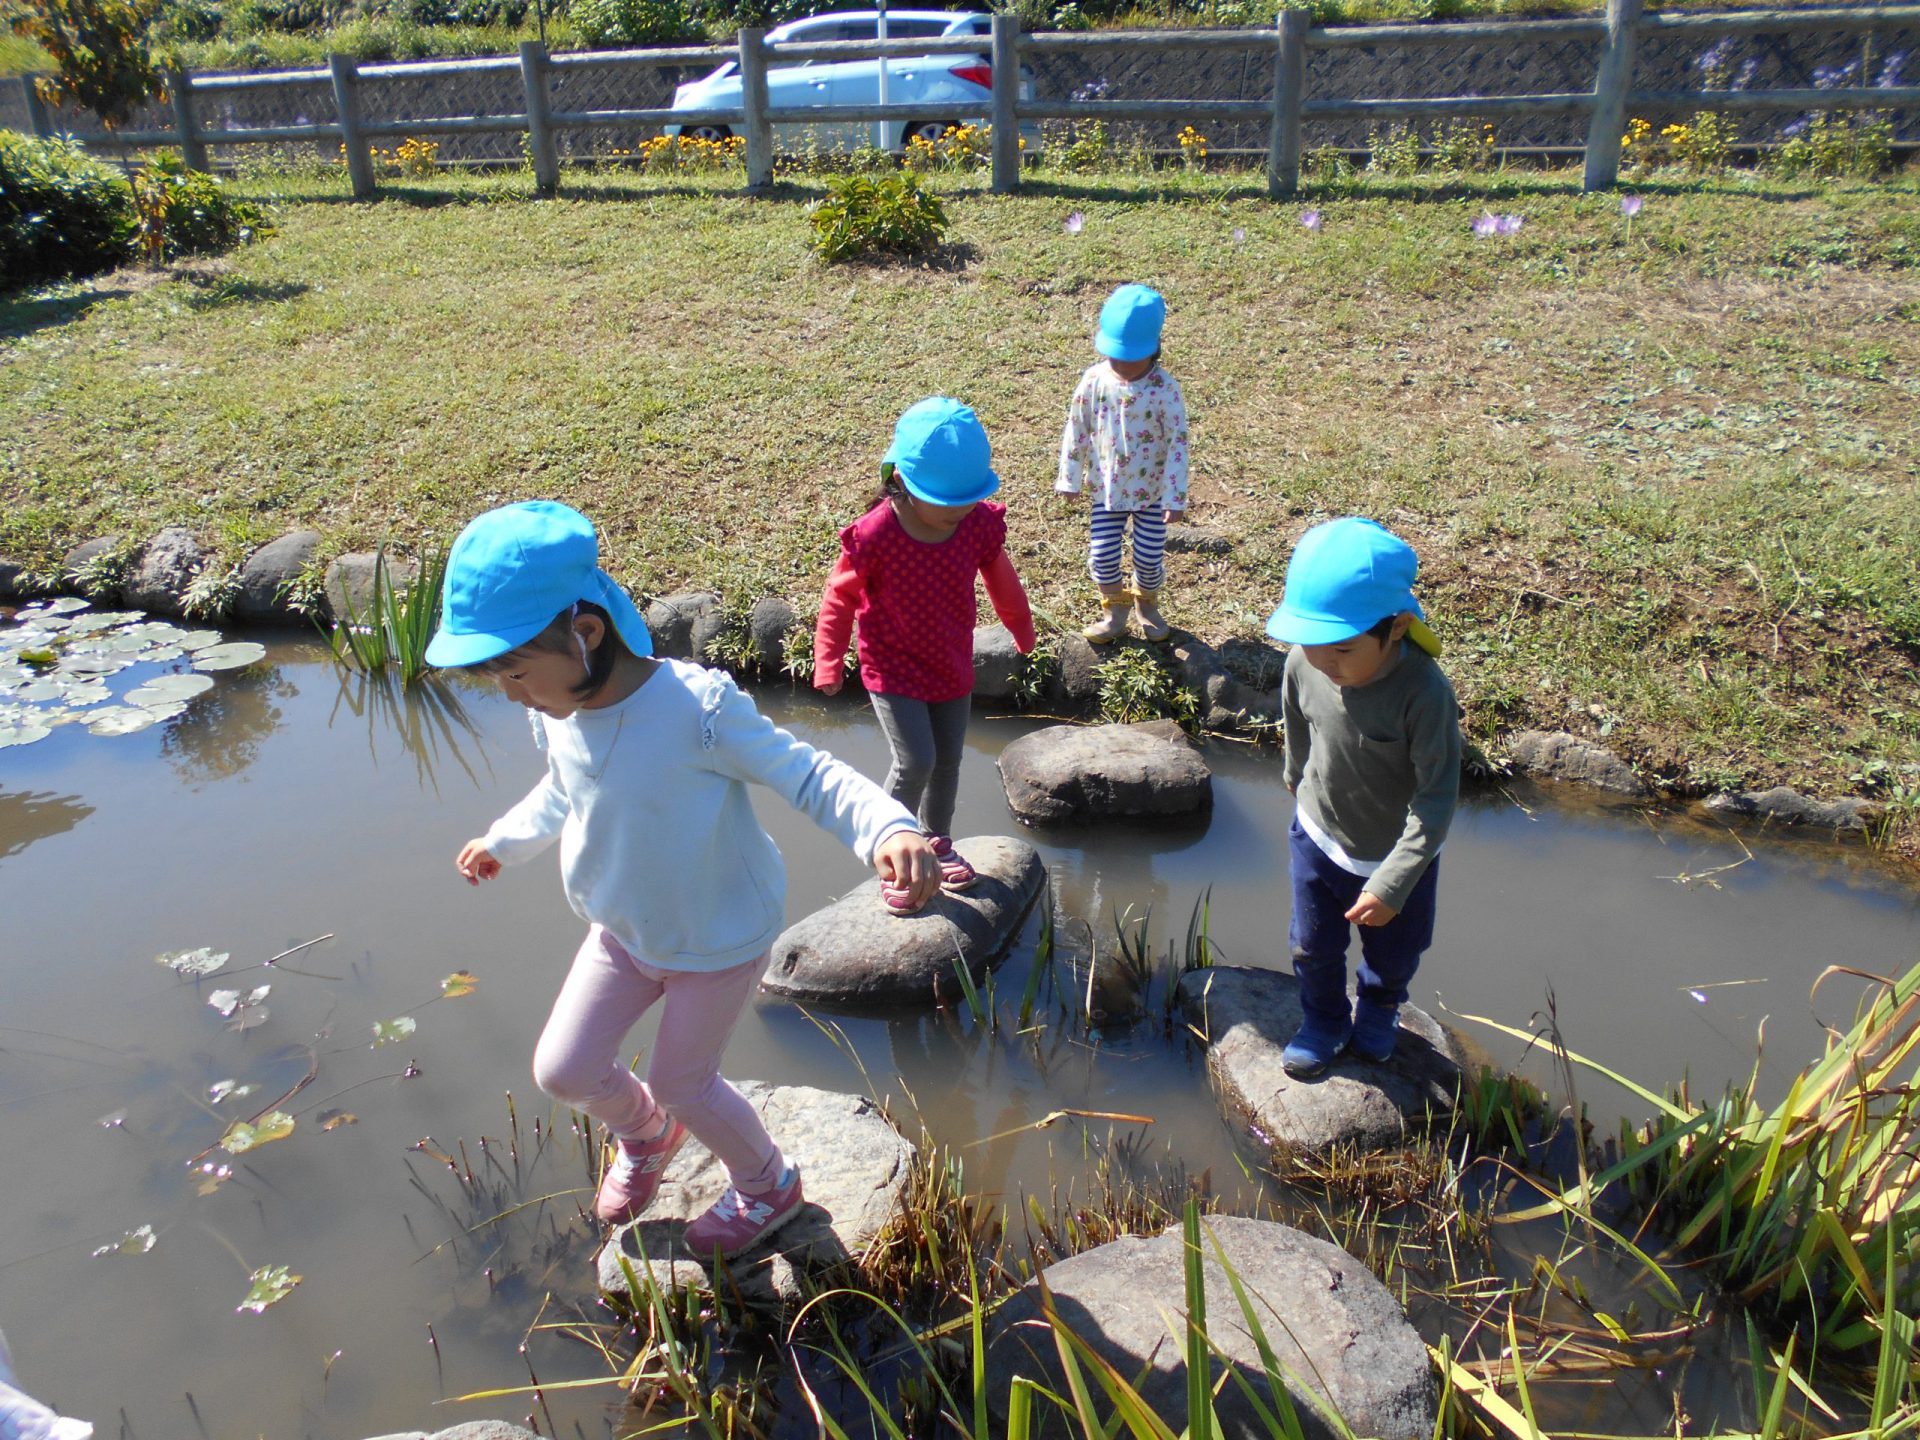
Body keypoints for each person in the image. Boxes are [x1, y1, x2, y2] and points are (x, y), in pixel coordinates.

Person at [430, 501, 939, 1256]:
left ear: (586, 634)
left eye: (515, 672)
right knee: (564, 1069)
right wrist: (504, 839)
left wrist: (888, 826)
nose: (510, 694)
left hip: (716, 938)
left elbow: (807, 774)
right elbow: (564, 790)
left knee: (682, 1080)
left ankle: (768, 1185)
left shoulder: (697, 710)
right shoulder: (562, 710)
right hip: (623, 930)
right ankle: (648, 1134)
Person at [814, 397, 1036, 912]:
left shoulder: (976, 525)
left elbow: (1002, 581)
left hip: (950, 661)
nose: (960, 510)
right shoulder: (875, 535)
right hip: (892, 667)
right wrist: (828, 660)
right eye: (947, 501)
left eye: (969, 499)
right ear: (902, 484)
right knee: (916, 760)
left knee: (949, 761)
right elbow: (838, 599)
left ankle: (935, 840)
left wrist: (1021, 629)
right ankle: (891, 849)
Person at [1264, 517, 1461, 1078]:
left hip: (1393, 856)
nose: (1325, 662)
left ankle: (1378, 1008)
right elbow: (1296, 719)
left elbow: (1437, 798)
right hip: (1317, 837)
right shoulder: (1305, 662)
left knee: (1395, 953)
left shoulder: (1424, 694)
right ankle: (1324, 1020)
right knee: (1311, 945)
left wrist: (1393, 882)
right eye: (1313, 645)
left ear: (1396, 628)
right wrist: (1295, 773)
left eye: (1343, 649)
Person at [1056, 283, 1190, 644]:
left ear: (1154, 349)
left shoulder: (1164, 389)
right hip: (1107, 490)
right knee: (1101, 555)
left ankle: (1147, 605)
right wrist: (1069, 477)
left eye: (1133, 357)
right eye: (1116, 355)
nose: (1123, 365)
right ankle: (1114, 611)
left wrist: (1175, 496)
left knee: (1148, 557)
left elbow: (1177, 443)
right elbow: (1077, 427)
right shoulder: (1095, 380)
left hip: (1152, 494)